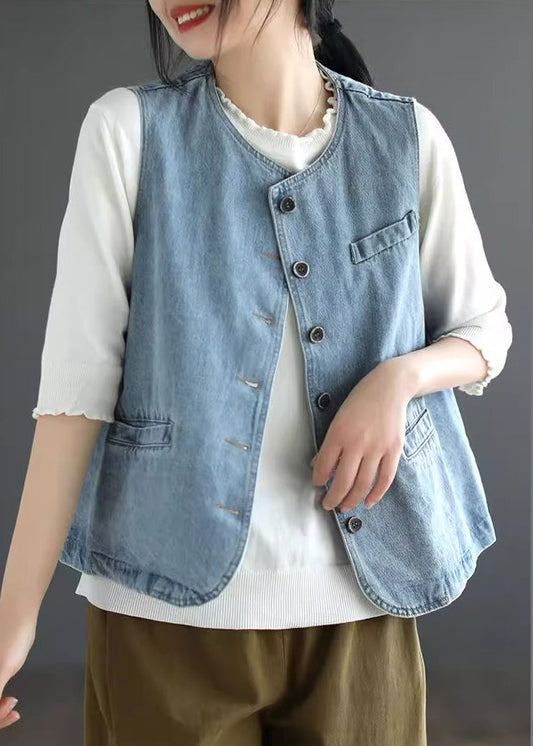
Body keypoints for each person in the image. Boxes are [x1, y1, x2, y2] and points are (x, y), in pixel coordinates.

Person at [0, 0, 513, 743]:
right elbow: (75, 394)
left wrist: (397, 380)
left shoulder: (406, 137)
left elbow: (484, 328)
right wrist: (13, 622)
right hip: (161, 606)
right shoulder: (127, 131)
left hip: (363, 603)